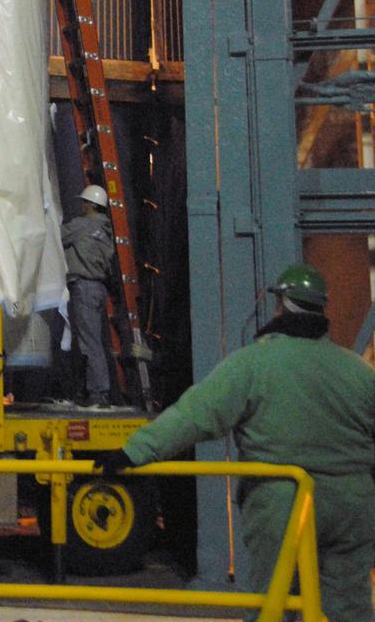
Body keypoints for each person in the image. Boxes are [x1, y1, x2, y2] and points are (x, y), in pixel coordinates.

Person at [105, 264, 375, 622]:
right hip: (352, 502)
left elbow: (194, 415)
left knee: (275, 603)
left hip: (283, 499)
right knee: (347, 606)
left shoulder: (253, 364)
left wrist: (132, 452)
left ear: (280, 305)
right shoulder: (356, 370)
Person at [60, 183, 117, 409]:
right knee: (93, 340)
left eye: (85, 202)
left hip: (83, 287)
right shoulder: (105, 229)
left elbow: (57, 237)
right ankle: (89, 390)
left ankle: (98, 393)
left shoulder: (82, 225)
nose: (82, 206)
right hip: (98, 288)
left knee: (89, 343)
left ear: (91, 205)